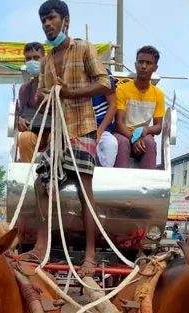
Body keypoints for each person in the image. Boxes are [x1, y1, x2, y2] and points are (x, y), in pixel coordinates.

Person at [27, 0, 112, 277]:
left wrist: (69, 94)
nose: (47, 25)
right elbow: (40, 94)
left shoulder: (84, 48)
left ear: (65, 21)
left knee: (84, 192)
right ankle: (42, 247)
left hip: (82, 128)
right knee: (41, 184)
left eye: (51, 18)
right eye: (43, 21)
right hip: (59, 133)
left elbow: (104, 83)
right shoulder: (47, 60)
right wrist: (47, 93)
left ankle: (90, 255)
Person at [113, 46, 165, 169]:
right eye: (141, 62)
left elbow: (158, 127)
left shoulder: (158, 94)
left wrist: (146, 131)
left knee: (150, 143)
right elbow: (119, 123)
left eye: (148, 63)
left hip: (143, 135)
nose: (143, 66)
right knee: (122, 142)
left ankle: (149, 185)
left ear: (155, 68)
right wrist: (133, 139)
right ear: (135, 64)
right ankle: (120, 184)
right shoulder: (122, 89)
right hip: (124, 133)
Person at [17, 42, 49, 163]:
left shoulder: (55, 84)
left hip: (55, 132)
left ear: (44, 60)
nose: (32, 61)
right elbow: (21, 114)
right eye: (28, 59)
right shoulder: (24, 89)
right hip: (35, 133)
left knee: (56, 140)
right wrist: (19, 120)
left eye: (36, 58)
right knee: (24, 138)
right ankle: (29, 179)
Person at [92, 68, 118, 167]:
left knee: (111, 144)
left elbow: (113, 105)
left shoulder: (104, 74)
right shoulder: (72, 72)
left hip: (102, 130)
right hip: (79, 129)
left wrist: (99, 133)